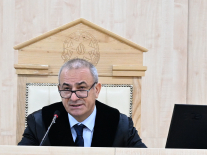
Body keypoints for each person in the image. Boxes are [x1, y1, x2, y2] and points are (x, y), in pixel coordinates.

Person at [18, 58, 146, 147]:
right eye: (67, 89)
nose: (73, 98)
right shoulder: (40, 123)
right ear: (59, 89)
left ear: (96, 90)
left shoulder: (120, 125)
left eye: (81, 88)